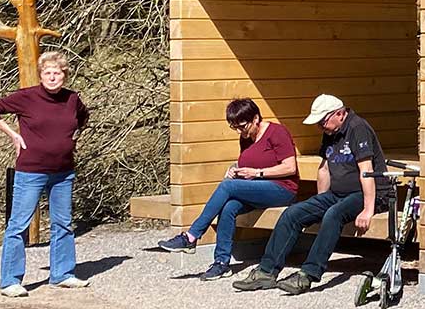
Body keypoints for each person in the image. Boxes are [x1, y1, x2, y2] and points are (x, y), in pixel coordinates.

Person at [232, 93, 393, 295]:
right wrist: (319, 201)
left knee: (334, 214)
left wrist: (368, 210)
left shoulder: (357, 128)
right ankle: (266, 271)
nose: (320, 127)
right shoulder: (330, 131)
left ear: (340, 114)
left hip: (368, 193)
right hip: (338, 193)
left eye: (322, 122)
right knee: (293, 214)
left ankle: (308, 274)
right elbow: (324, 169)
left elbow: (366, 171)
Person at [0, 51, 91, 298]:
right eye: (48, 73)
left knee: (63, 223)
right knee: (18, 225)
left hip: (63, 172)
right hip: (31, 171)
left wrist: (74, 139)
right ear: (41, 75)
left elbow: (83, 119)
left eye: (58, 73)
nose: (53, 77)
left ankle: (62, 274)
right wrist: (13, 134)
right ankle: (10, 280)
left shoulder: (72, 99)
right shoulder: (26, 97)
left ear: (65, 75)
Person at [156, 98, 301, 279]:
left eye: (242, 126)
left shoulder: (277, 133)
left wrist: (257, 173)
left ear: (256, 118)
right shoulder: (246, 137)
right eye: (236, 128)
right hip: (256, 187)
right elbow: (245, 161)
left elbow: (290, 167)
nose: (240, 131)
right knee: (229, 206)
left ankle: (191, 236)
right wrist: (234, 169)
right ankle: (221, 262)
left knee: (227, 187)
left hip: (282, 189)